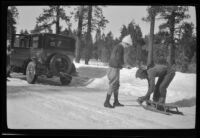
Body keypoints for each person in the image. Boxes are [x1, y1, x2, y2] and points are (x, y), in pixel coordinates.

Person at [104, 35, 133, 108]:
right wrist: (125, 66)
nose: (128, 47)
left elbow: (117, 59)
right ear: (126, 43)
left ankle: (116, 101)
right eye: (128, 45)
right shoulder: (120, 47)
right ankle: (106, 102)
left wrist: (123, 65)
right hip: (114, 68)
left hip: (114, 67)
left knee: (116, 84)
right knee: (113, 84)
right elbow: (118, 59)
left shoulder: (118, 47)